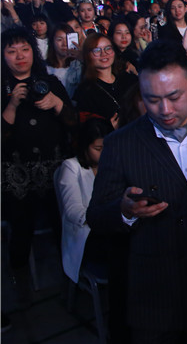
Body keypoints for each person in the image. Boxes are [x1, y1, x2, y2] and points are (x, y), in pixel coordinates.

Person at [86, 38, 187, 342]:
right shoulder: (120, 144)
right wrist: (125, 211)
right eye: (152, 99)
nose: (165, 109)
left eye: (174, 96)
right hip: (152, 297)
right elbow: (96, 216)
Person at [2, 27, 76, 304]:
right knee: (21, 228)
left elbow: (73, 123)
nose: (20, 56)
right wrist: (11, 105)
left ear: (34, 52)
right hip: (16, 173)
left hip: (55, 168)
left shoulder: (50, 82)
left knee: (63, 225)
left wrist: (57, 103)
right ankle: (19, 281)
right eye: (11, 51)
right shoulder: (2, 87)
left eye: (25, 49)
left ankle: (72, 275)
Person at [54, 118, 115, 283]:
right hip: (88, 235)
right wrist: (104, 218)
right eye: (98, 149)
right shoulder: (71, 167)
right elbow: (73, 211)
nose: (105, 153)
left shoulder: (113, 166)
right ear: (84, 146)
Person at [74, 33, 137, 128]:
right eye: (97, 50)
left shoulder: (128, 79)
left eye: (108, 48)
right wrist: (108, 127)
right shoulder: (85, 91)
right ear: (88, 55)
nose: (103, 54)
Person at [45, 22, 83, 99]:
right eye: (59, 40)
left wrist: (82, 58)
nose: (64, 44)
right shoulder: (44, 68)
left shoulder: (79, 65)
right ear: (52, 42)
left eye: (67, 39)